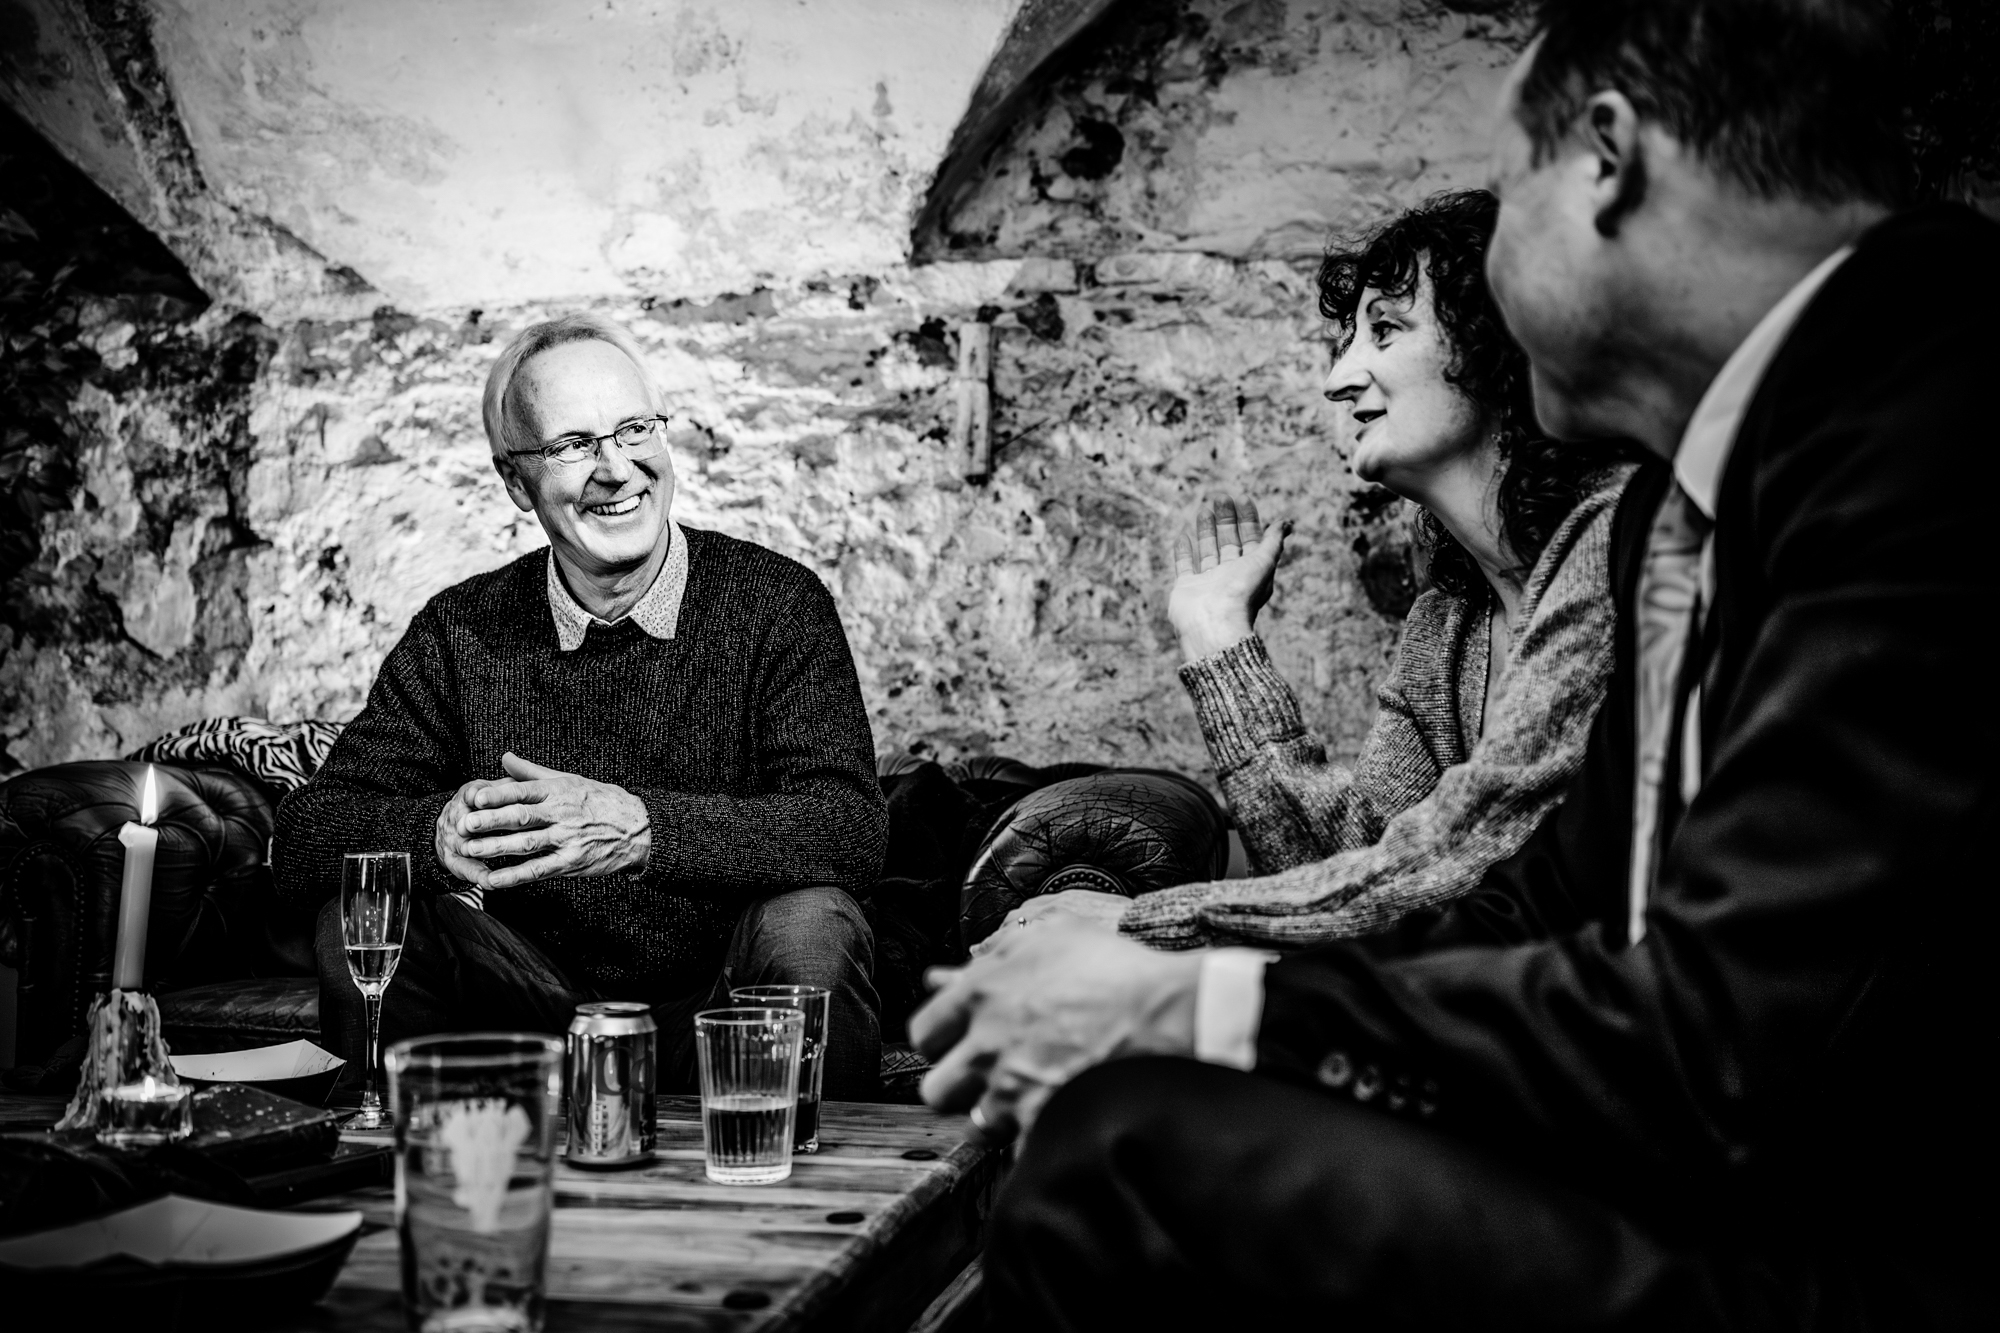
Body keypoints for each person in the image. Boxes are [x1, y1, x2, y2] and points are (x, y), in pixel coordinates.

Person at [911, 0, 1996, 1327]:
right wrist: (1178, 976)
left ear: (1607, 157)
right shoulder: (1691, 500)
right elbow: (1521, 904)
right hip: (1714, 1160)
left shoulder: (1942, 403)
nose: (1338, 378)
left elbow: (1718, 1033)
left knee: (1126, 1153)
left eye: (1506, 193)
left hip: (1877, 1251)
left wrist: (1189, 993)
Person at [1012, 190, 1649, 951]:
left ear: (1503, 338)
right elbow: (1345, 866)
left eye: (1385, 330)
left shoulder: (1617, 540)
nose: (1339, 378)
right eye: (1348, 340)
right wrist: (1218, 639)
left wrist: (1141, 927)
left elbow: (1449, 865)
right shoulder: (1448, 626)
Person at [274, 313, 889, 1098]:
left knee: (812, 921)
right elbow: (302, 839)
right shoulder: (462, 630)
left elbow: (850, 826)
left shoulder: (775, 603)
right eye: (572, 445)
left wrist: (642, 828)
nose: (617, 468)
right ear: (515, 480)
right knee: (365, 913)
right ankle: (424, 1181)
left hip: (722, 1006)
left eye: (635, 429)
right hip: (530, 1012)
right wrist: (435, 835)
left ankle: (819, 1203)